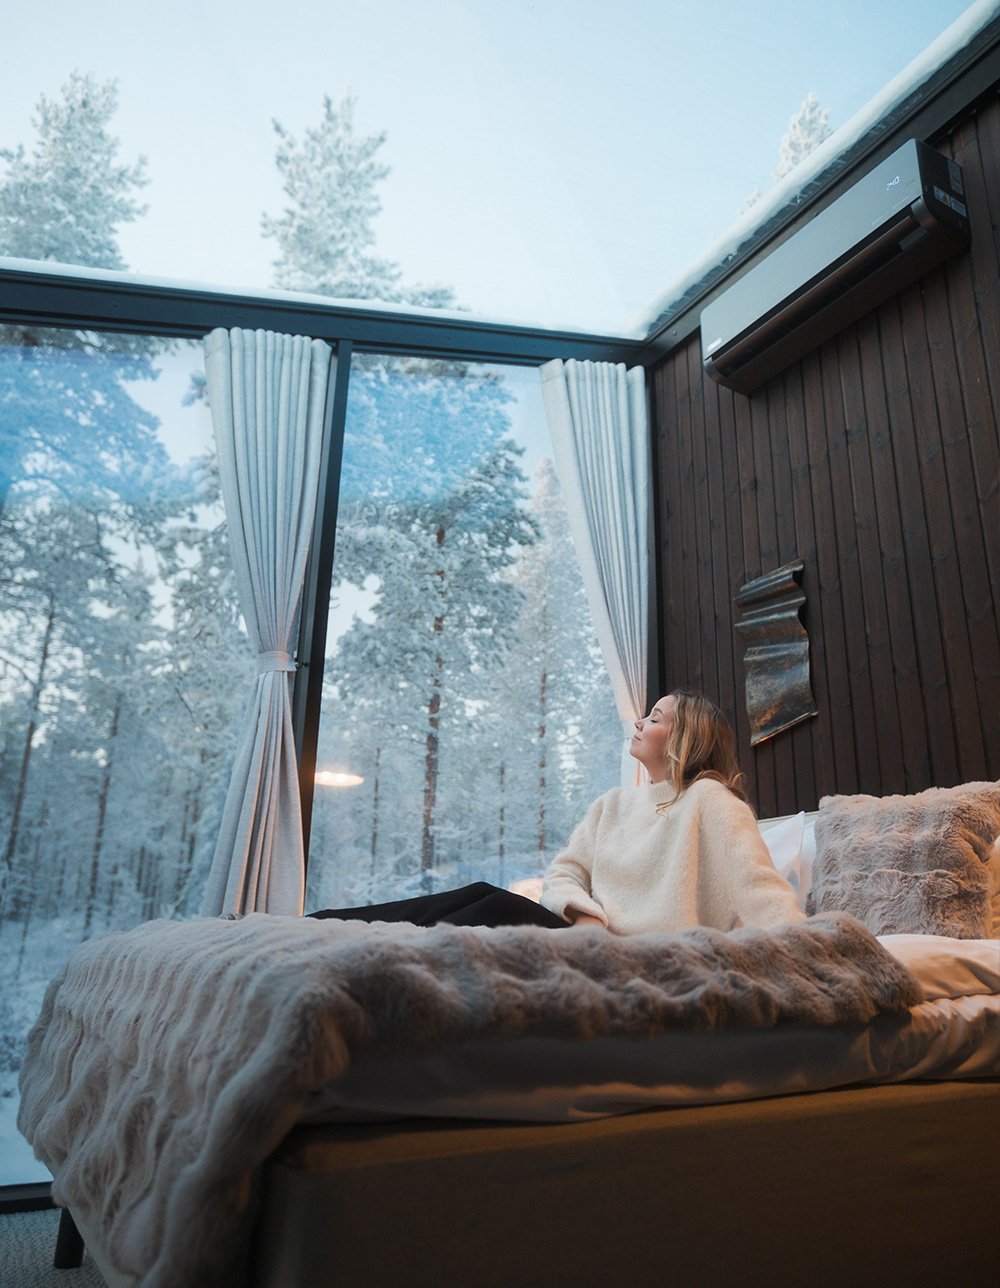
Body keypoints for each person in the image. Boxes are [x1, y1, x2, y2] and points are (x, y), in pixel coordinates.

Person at [308, 688, 803, 934]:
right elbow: (564, 873)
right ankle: (321, 926)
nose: (638, 721)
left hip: (640, 958)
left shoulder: (711, 801)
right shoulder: (612, 805)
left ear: (684, 738)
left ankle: (328, 930)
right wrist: (583, 914)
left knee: (490, 903)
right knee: (479, 895)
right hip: (588, 940)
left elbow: (760, 890)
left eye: (654, 717)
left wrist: (817, 949)